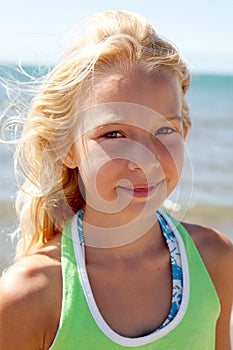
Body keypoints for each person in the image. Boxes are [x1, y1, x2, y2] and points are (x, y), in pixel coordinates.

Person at [0, 10, 232, 350]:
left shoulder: (214, 260)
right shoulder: (31, 296)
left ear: (183, 131)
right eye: (114, 133)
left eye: (164, 129)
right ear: (66, 148)